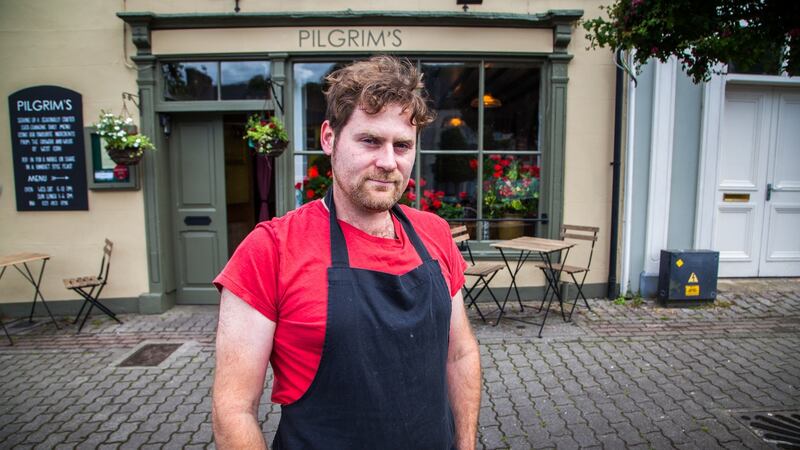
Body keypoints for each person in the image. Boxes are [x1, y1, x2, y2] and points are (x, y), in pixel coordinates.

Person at [211, 55, 481, 450]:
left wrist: (467, 444)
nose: (388, 162)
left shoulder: (435, 234)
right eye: (370, 140)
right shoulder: (270, 249)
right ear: (329, 138)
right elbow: (233, 408)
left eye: (402, 145)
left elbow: (459, 353)